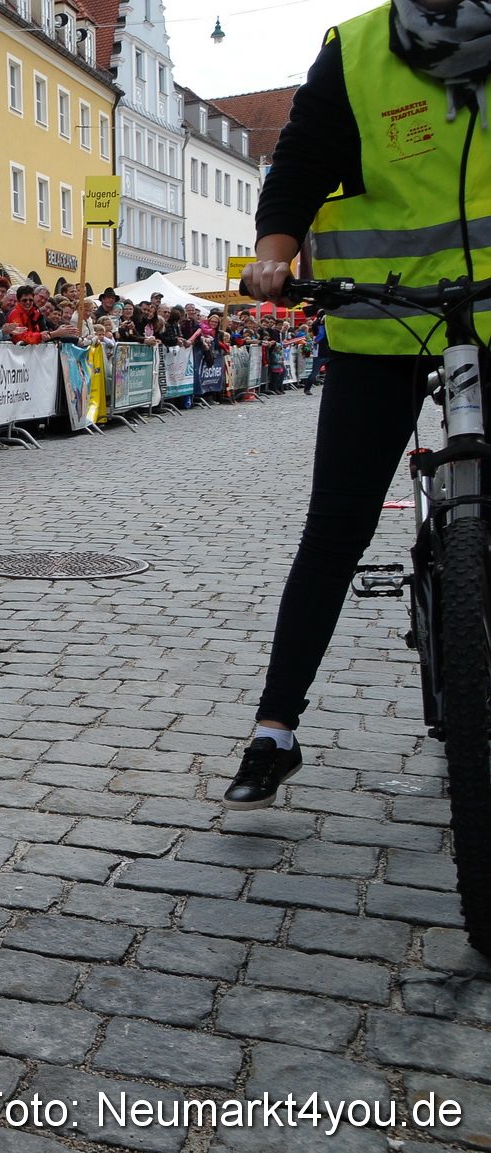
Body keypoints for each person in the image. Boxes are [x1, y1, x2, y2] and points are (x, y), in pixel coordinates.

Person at [228, 0, 481, 803]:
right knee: (336, 523)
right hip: (380, 320)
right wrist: (273, 255)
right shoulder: (358, 48)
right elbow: (301, 162)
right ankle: (274, 728)